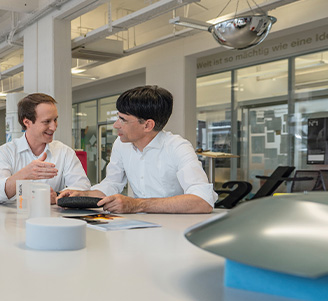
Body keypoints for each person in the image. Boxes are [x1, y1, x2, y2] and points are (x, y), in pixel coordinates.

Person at [58, 85, 217, 214]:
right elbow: (112, 184)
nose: (116, 125)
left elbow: (203, 201)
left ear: (148, 125)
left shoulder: (177, 147)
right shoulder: (121, 145)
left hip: (176, 228)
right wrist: (84, 195)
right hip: (141, 226)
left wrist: (137, 205)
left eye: (123, 120)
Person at [0, 93, 91, 204]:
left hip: (53, 219)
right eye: (47, 121)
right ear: (27, 122)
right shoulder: (5, 152)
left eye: (55, 120)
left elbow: (83, 188)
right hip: (14, 219)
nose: (53, 127)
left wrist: (57, 196)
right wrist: (24, 174)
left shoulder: (64, 152)